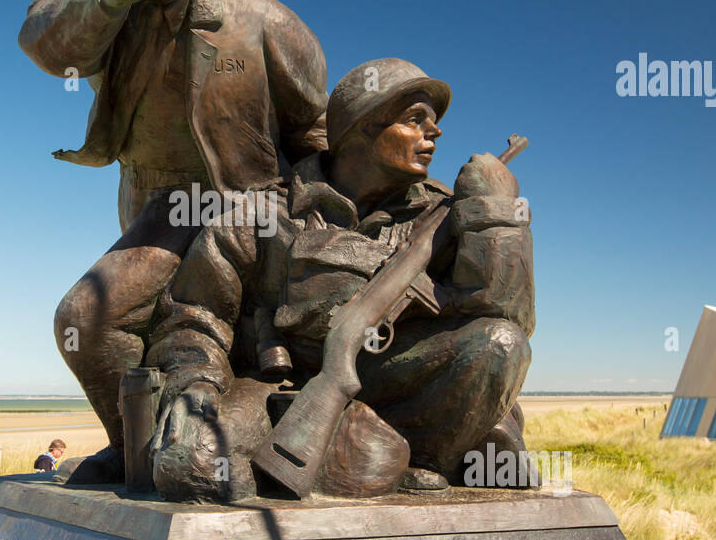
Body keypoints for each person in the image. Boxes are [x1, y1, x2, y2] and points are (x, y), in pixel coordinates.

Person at [18, 0, 329, 484]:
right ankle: (138, 446)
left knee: (88, 315)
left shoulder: (267, 22)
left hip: (243, 210)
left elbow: (318, 134)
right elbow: (43, 44)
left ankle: (169, 449)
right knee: (105, 324)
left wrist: (302, 227)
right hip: (152, 209)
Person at [144, 58, 535, 502]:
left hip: (403, 383)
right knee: (191, 466)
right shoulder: (264, 214)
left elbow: (507, 311)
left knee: (501, 343)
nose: (436, 132)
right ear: (363, 127)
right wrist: (194, 383)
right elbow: (196, 316)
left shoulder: (444, 213)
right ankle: (383, 452)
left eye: (434, 122)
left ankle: (421, 454)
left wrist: (497, 213)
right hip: (283, 390)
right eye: (415, 120)